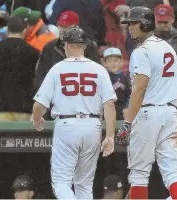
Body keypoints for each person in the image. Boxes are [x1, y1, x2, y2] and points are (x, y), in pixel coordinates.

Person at [32, 27, 117, 199]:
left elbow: (39, 104)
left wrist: (37, 117)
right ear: (84, 46)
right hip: (93, 125)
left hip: (67, 125)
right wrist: (109, 135)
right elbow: (109, 105)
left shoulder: (58, 68)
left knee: (61, 181)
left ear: (67, 45)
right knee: (84, 185)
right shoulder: (99, 69)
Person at [116, 7, 177, 199]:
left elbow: (139, 88)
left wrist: (127, 123)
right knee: (173, 172)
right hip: (171, 114)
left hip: (148, 113)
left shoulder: (142, 50)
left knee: (139, 175)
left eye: (133, 23)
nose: (129, 28)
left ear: (145, 24)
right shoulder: (168, 47)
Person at [33, 10, 100, 95]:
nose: (62, 30)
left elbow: (97, 75)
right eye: (60, 26)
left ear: (77, 27)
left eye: (66, 27)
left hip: (82, 98)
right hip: (55, 99)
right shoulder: (50, 47)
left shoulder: (89, 47)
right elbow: (41, 75)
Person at [102, 47, 131, 120]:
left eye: (116, 60)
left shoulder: (124, 78)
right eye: (110, 61)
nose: (113, 64)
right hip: (107, 110)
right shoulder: (104, 77)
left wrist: (127, 107)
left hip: (122, 111)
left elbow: (129, 94)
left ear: (121, 61)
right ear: (105, 63)